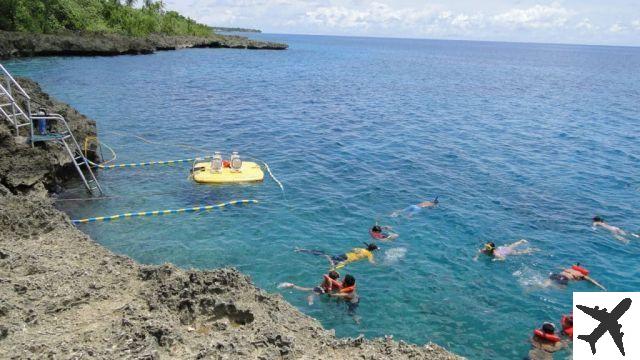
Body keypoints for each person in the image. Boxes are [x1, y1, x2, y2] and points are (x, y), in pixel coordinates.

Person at [278, 270, 342, 305]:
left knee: (305, 289)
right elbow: (329, 292)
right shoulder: (333, 283)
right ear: (335, 278)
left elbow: (322, 285)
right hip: (322, 290)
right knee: (313, 295)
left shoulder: (326, 279)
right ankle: (310, 300)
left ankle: (293, 286)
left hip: (319, 287)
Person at [295, 243, 379, 269]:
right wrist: (377, 265)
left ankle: (302, 250)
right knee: (335, 267)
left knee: (325, 255)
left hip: (344, 255)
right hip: (346, 260)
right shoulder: (369, 254)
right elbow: (371, 261)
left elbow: (352, 249)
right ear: (373, 250)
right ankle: (331, 267)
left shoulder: (360, 248)